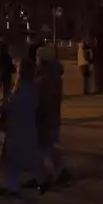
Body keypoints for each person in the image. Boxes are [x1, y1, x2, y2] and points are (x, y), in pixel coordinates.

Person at [0, 58, 41, 196]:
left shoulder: (20, 88)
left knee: (13, 160)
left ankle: (13, 188)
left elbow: (13, 106)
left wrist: (2, 107)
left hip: (17, 127)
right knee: (28, 156)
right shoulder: (34, 86)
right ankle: (40, 179)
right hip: (29, 126)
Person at [36, 45, 70, 188]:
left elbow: (43, 99)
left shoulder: (46, 79)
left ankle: (56, 171)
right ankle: (56, 171)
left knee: (46, 146)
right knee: (49, 145)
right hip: (51, 115)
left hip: (46, 115)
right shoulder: (53, 76)